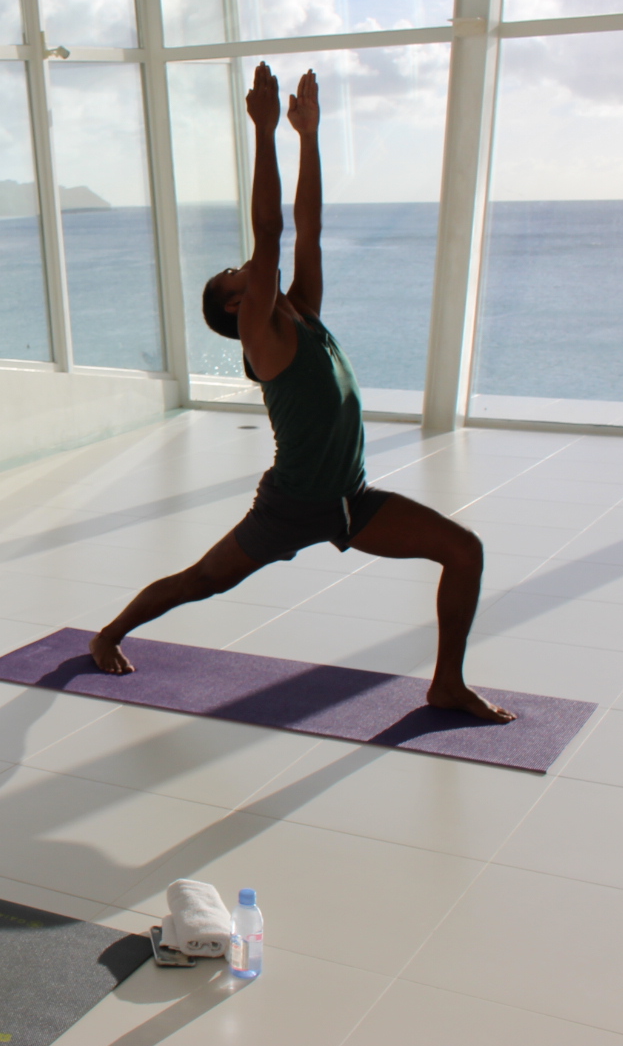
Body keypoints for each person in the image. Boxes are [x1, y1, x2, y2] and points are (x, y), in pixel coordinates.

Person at [90, 63, 514, 724]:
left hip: (349, 500)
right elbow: (271, 233)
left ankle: (446, 684)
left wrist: (309, 137)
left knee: (464, 550)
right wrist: (262, 131)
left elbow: (307, 229)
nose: (250, 267)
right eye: (238, 275)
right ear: (235, 308)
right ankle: (108, 634)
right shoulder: (261, 334)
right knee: (204, 581)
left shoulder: (301, 312)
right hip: (291, 505)